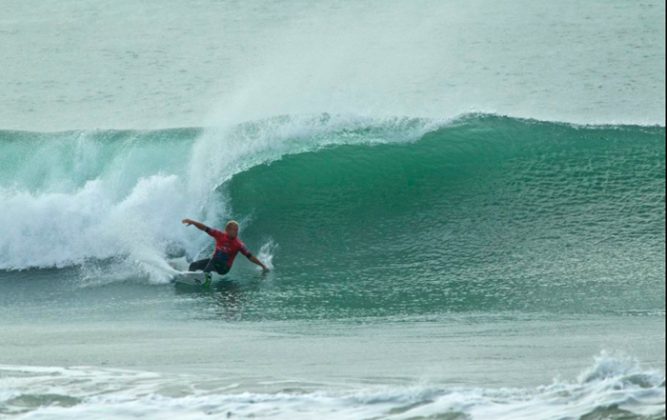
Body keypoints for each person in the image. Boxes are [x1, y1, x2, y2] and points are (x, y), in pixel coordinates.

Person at [181, 219, 268, 285]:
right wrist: (193, 222)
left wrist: (262, 266)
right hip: (214, 263)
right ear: (227, 229)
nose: (236, 232)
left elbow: (250, 256)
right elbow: (205, 228)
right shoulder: (219, 235)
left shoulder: (239, 244)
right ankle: (190, 279)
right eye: (234, 230)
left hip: (224, 268)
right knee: (194, 265)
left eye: (237, 230)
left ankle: (205, 281)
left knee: (213, 261)